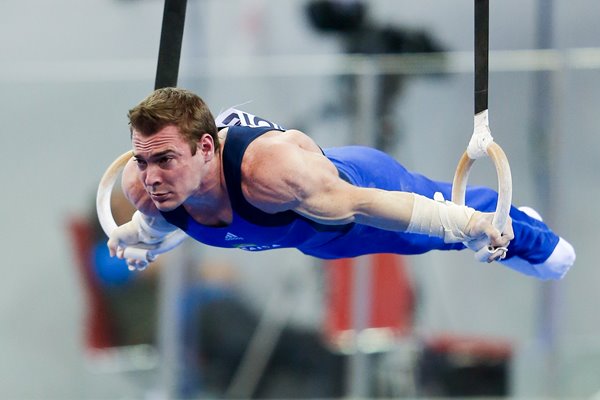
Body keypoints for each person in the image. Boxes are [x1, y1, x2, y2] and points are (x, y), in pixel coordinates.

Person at [107, 88, 575, 280]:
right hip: (314, 242)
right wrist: (141, 238)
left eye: (164, 159)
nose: (152, 176)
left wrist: (465, 222)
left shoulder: (269, 175)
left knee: (450, 233)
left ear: (206, 149)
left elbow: (366, 205)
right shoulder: (145, 187)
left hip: (358, 195)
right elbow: (166, 223)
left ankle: (521, 227)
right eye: (143, 160)